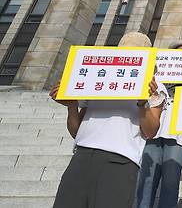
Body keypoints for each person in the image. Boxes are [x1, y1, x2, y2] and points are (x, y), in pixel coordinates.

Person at [50, 32, 166, 208]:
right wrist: (71, 105)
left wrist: (143, 102)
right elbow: (76, 131)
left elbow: (151, 131)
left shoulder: (155, 88)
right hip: (82, 156)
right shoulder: (97, 79)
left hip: (120, 161)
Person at [134, 39, 182, 208]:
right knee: (146, 180)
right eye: (178, 53)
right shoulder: (159, 75)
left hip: (179, 135)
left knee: (171, 181)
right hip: (154, 130)